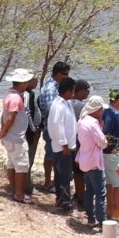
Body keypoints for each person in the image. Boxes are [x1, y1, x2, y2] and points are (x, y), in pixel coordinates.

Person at [0, 68, 38, 202]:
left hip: (11, 136)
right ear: (23, 83)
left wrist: (3, 132)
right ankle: (19, 194)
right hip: (15, 137)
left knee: (12, 163)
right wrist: (3, 131)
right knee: (21, 165)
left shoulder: (11, 94)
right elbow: (11, 117)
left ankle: (14, 191)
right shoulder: (15, 97)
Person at [43, 65, 79, 212]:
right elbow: (57, 127)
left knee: (63, 175)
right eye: (73, 90)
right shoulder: (58, 106)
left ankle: (61, 200)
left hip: (68, 146)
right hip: (63, 147)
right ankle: (64, 202)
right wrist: (64, 145)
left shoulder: (66, 103)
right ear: (69, 90)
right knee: (64, 176)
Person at [73, 99, 107, 233]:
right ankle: (102, 221)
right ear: (96, 110)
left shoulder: (81, 120)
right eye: (101, 109)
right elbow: (102, 142)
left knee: (90, 191)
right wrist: (101, 127)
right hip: (94, 162)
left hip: (85, 160)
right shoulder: (93, 124)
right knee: (100, 193)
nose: (102, 112)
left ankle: (91, 218)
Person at [97, 89, 119, 222]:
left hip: (107, 154)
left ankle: (110, 208)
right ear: (118, 101)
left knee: (109, 183)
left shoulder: (109, 112)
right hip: (111, 155)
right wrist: (112, 147)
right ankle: (117, 211)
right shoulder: (110, 114)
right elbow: (105, 133)